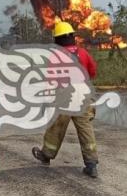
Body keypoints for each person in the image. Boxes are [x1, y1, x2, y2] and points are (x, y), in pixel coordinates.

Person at [31, 21, 100, 178]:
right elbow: (93, 72)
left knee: (56, 126)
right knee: (85, 129)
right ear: (72, 38)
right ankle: (91, 165)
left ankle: (46, 155)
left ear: (57, 40)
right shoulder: (83, 53)